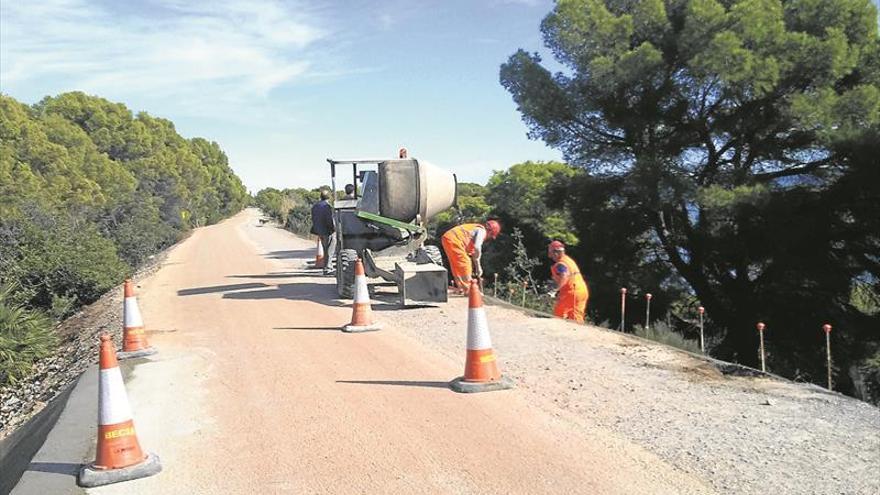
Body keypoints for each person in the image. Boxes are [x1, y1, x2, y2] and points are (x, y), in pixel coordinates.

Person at [441, 220, 501, 294]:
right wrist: (478, 263)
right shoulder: (482, 231)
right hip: (455, 240)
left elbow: (474, 255)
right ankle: (469, 289)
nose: (488, 238)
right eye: (490, 236)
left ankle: (461, 287)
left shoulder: (473, 231)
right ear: (490, 232)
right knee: (465, 263)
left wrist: (478, 267)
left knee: (456, 264)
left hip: (448, 238)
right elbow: (477, 247)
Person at [547, 240, 589, 323]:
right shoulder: (568, 260)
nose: (551, 256)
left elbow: (564, 276)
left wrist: (555, 290)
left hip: (571, 292)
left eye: (551, 253)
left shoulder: (561, 264)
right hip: (582, 291)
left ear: (556, 253)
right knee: (576, 317)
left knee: (559, 313)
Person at [310, 190, 336, 275]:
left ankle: (327, 267)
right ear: (329, 197)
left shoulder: (315, 206)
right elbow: (329, 220)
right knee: (330, 249)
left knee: (325, 249)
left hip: (319, 231)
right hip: (327, 231)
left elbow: (313, 219)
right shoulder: (327, 206)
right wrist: (333, 229)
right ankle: (328, 268)